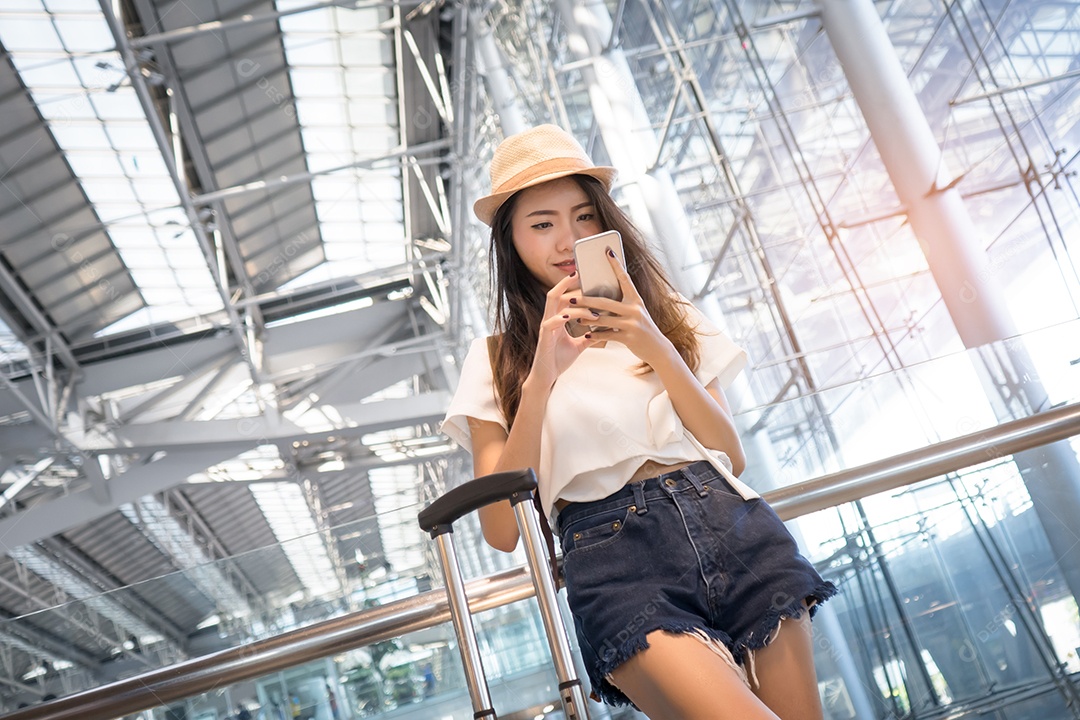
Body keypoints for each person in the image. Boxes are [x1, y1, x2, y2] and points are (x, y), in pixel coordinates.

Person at [441, 124, 837, 720]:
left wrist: (655, 345)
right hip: (614, 559)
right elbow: (501, 529)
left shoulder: (666, 319)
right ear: (512, 241)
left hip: (730, 524)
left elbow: (730, 452)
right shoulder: (497, 358)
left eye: (581, 217)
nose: (567, 241)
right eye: (542, 224)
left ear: (606, 223)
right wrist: (542, 377)